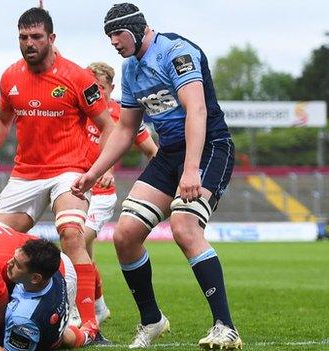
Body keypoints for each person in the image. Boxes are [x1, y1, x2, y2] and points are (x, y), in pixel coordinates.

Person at [72, 3, 242, 349]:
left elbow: (197, 110)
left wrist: (192, 168)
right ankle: (152, 320)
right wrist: (94, 172)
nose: (114, 43)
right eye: (109, 37)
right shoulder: (131, 68)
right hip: (169, 154)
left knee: (184, 226)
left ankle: (226, 327)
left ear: (136, 29)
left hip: (209, 147)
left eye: (117, 34)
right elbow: (125, 129)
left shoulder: (176, 52)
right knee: (125, 235)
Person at [0, 7, 115, 339]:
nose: (29, 43)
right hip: (25, 174)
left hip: (69, 171)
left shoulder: (78, 77)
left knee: (72, 236)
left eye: (36, 37)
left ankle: (90, 322)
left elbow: (108, 127)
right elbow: (2, 117)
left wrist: (102, 168)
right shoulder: (10, 77)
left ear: (51, 39)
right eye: (23, 37)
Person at [80, 61, 158, 326]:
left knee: (77, 244)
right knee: (83, 254)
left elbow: (153, 153)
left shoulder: (124, 116)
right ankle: (99, 307)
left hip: (102, 194)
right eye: (92, 87)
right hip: (77, 192)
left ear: (111, 88)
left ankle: (82, 312)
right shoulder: (79, 111)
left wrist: (163, 182)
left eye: (100, 87)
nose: (96, 92)